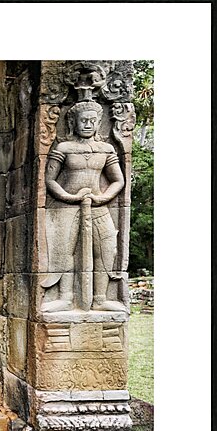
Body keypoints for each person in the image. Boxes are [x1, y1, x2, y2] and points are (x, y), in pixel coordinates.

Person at [41, 100, 126, 312]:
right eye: (83, 121)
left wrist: (103, 197)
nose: (87, 125)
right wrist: (70, 196)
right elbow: (50, 180)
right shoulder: (64, 147)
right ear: (73, 123)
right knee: (64, 251)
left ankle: (99, 298)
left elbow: (118, 180)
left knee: (107, 249)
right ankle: (66, 297)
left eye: (92, 121)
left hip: (98, 205)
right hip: (66, 207)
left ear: (98, 123)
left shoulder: (105, 149)